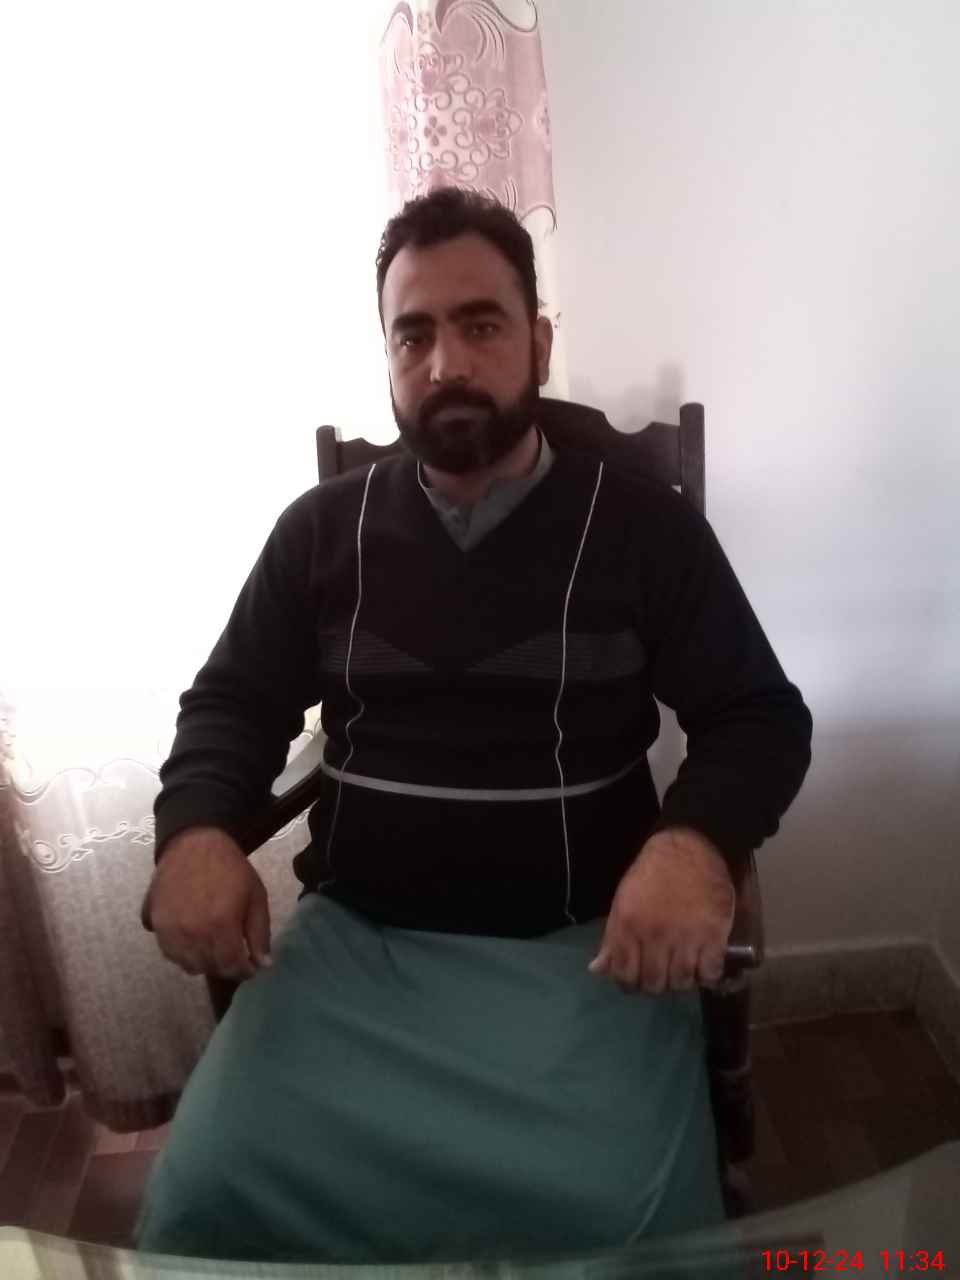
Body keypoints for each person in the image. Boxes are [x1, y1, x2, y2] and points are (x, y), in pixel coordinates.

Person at [136, 187, 812, 1263]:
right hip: (358, 945)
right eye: (414, 334)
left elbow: (757, 716)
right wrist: (196, 832)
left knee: (627, 1229)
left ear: (537, 340)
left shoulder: (645, 530)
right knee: (200, 1196)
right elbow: (234, 701)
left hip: (588, 951)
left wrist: (695, 844)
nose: (446, 361)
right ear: (388, 357)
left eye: (481, 324)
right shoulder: (320, 533)